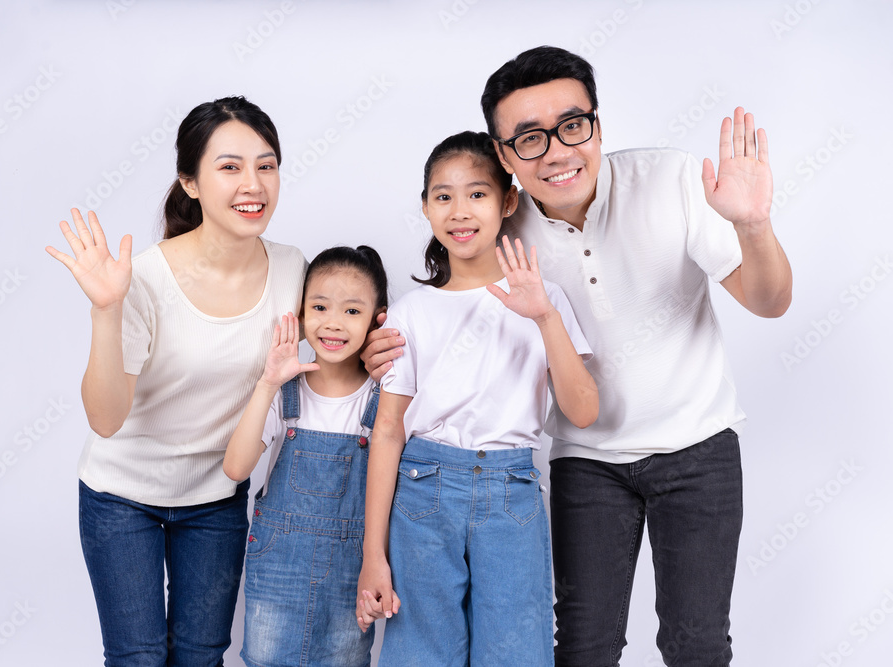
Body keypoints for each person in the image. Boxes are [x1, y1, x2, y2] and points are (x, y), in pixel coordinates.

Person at [476, 46, 792, 665]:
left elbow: (770, 302)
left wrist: (753, 226)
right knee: (585, 648)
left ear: (596, 123)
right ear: (503, 156)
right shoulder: (501, 232)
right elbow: (453, 316)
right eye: (530, 139)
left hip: (697, 446)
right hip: (586, 460)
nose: (559, 152)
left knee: (695, 645)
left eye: (572, 125)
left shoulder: (670, 179)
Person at [45, 96, 306, 667]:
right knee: (137, 658)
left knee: (199, 655)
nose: (254, 184)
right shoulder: (143, 277)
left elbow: (340, 346)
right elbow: (106, 419)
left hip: (216, 497)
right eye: (230, 167)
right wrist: (106, 310)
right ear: (190, 182)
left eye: (267, 165)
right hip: (122, 498)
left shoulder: (293, 269)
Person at [356, 131, 598, 666]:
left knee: (517, 651)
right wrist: (374, 554)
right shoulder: (412, 313)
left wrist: (543, 317)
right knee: (421, 650)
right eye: (443, 196)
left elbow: (582, 410)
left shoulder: (545, 299)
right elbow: (389, 430)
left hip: (509, 490)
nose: (459, 211)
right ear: (425, 207)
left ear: (508, 201)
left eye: (478, 194)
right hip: (423, 492)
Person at [222, 245, 389, 667]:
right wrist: (267, 382)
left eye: (353, 311)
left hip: (352, 577)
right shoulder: (285, 395)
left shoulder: (385, 401)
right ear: (299, 313)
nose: (333, 323)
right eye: (320, 306)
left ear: (377, 318)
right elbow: (236, 468)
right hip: (278, 571)